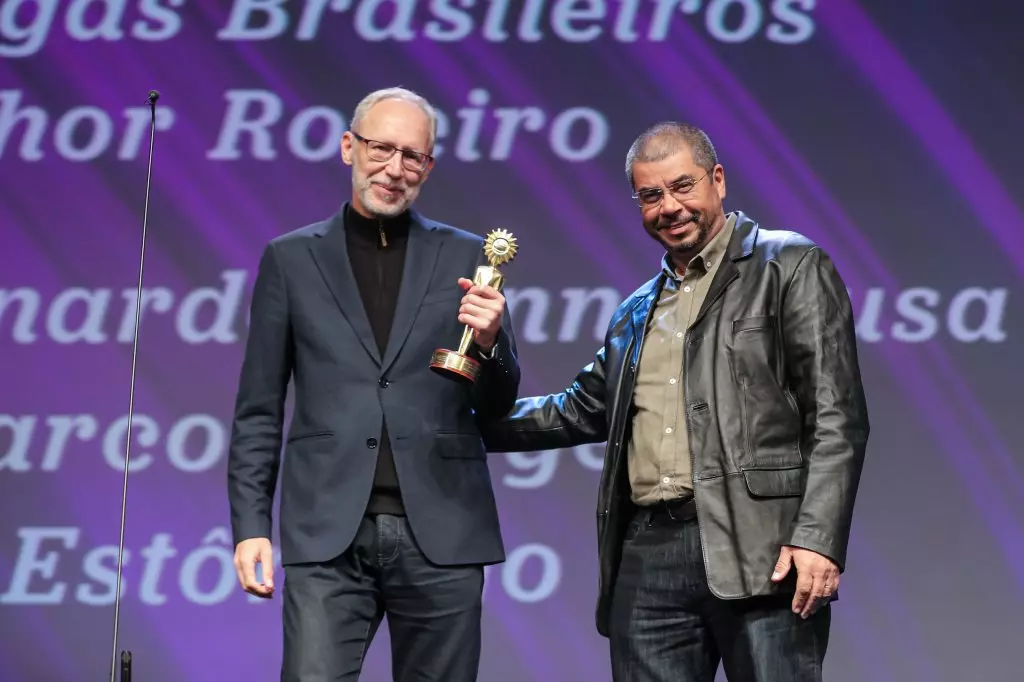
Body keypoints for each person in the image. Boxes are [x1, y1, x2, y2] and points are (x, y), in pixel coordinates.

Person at [478, 122, 869, 682]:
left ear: (718, 180)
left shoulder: (789, 266)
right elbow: (577, 410)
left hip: (763, 549)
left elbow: (837, 416)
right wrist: (450, 422)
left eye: (683, 186)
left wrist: (817, 539)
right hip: (648, 555)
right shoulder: (637, 309)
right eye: (651, 195)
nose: (670, 207)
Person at [226, 86, 520, 682]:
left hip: (442, 529)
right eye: (380, 148)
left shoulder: (468, 255)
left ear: (428, 167)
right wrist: (250, 525)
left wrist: (492, 345)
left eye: (412, 156)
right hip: (328, 530)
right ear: (347, 147)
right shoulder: (290, 259)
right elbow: (258, 408)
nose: (394, 168)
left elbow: (497, 404)